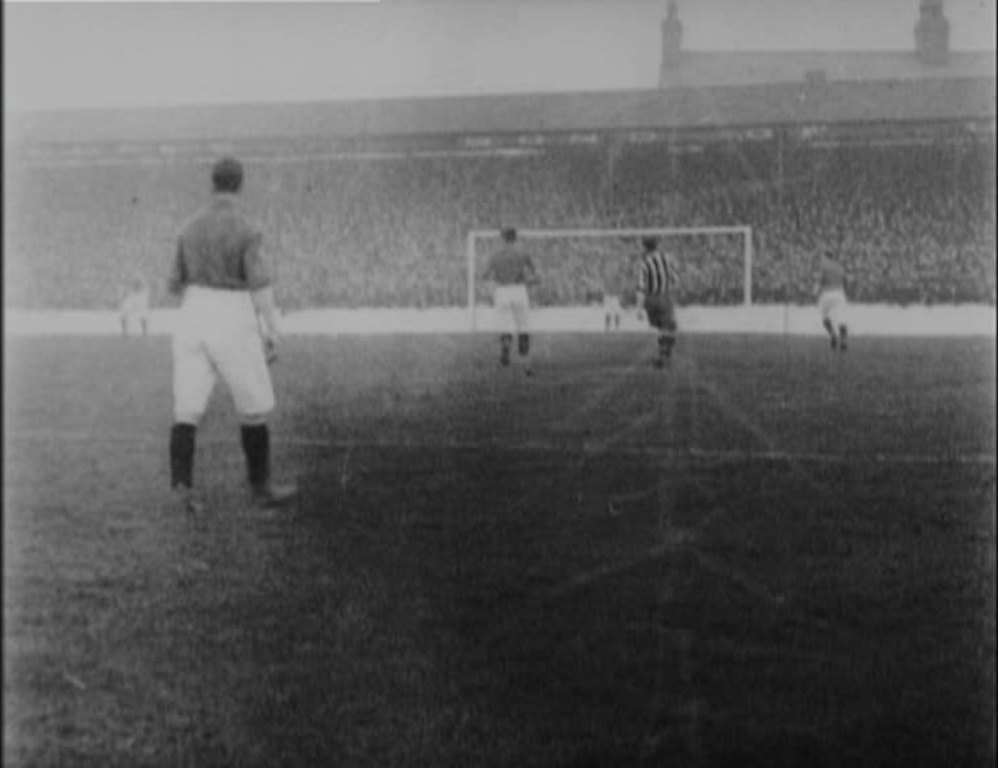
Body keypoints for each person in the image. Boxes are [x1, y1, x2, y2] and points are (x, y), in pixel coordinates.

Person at [167, 157, 297, 513]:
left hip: (192, 312)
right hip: (231, 310)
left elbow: (173, 284)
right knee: (253, 407)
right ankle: (261, 488)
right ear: (239, 185)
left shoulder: (188, 227)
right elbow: (259, 283)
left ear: (212, 184)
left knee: (187, 408)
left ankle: (182, 489)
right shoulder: (246, 227)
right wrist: (272, 328)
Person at [482, 227, 539, 375]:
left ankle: (506, 345)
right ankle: (527, 365)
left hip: (502, 291)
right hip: (519, 290)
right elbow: (536, 276)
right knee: (524, 328)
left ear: (502, 238)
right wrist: (528, 282)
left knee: (505, 326)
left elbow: (485, 275)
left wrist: (495, 281)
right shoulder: (523, 253)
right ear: (515, 238)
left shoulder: (495, 255)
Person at [636, 236, 680, 368]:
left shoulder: (644, 263)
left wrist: (639, 307)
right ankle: (664, 353)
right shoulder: (668, 258)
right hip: (665, 296)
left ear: (644, 247)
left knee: (661, 326)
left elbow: (641, 287)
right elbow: (676, 280)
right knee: (669, 326)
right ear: (657, 245)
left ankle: (663, 353)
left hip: (651, 298)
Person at [817, 252, 849, 351]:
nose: (821, 260)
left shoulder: (823, 268)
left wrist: (814, 292)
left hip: (826, 294)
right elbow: (845, 281)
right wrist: (845, 292)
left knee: (825, 318)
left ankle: (832, 335)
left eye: (823, 258)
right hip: (839, 293)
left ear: (827, 258)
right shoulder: (840, 267)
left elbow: (819, 282)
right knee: (841, 319)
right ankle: (843, 340)